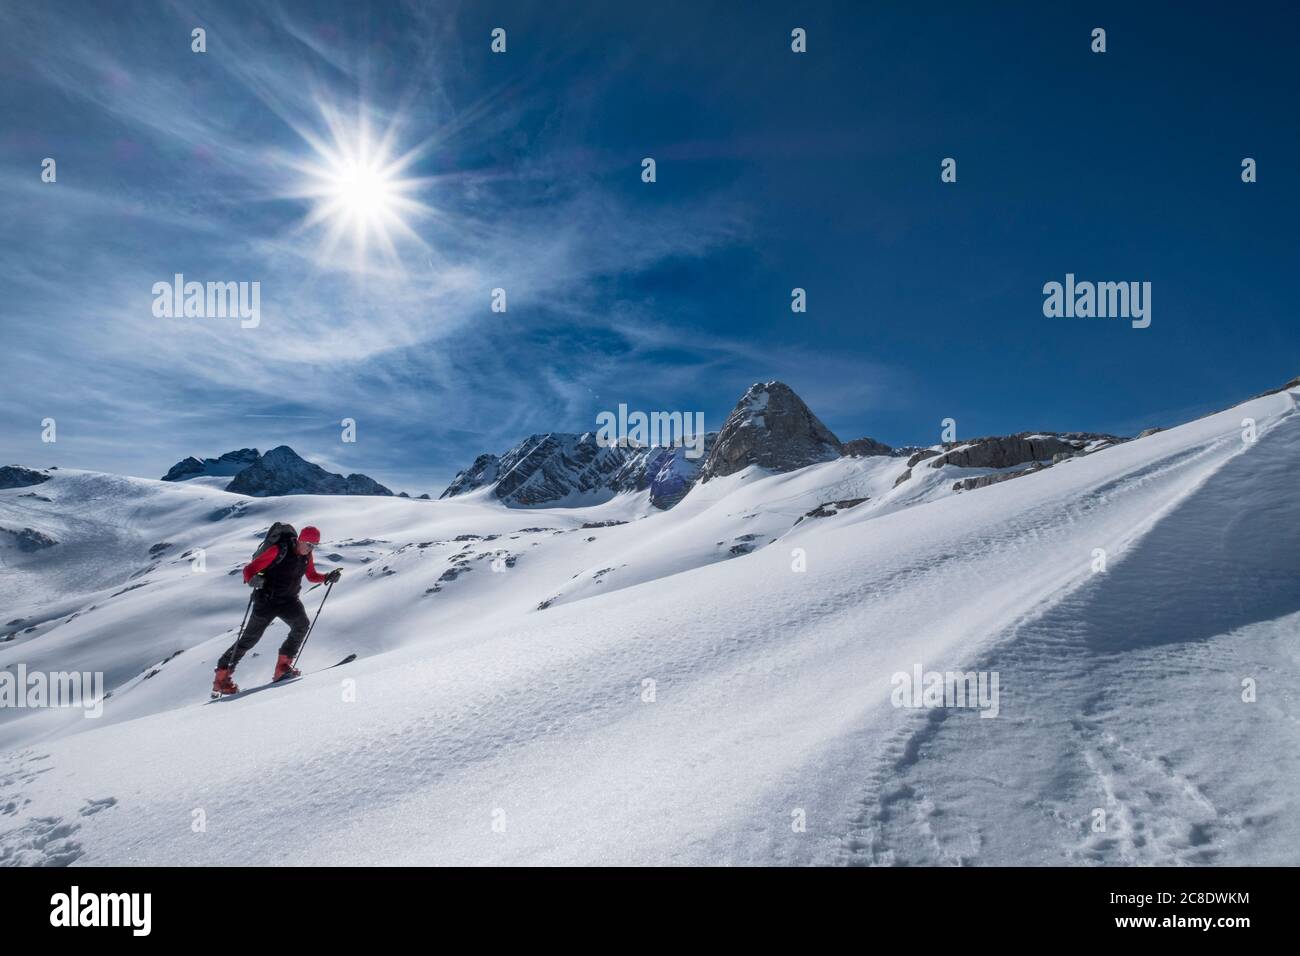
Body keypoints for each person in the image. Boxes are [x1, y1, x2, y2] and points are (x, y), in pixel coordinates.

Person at [211, 525, 341, 696]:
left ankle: (282, 668)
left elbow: (311, 576)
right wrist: (253, 579)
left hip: (289, 600)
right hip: (267, 601)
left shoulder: (306, 556)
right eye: (309, 544)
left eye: (314, 545)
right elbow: (249, 569)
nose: (311, 548)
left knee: (301, 625)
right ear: (300, 539)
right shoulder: (278, 550)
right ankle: (222, 678)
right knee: (250, 639)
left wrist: (327, 577)